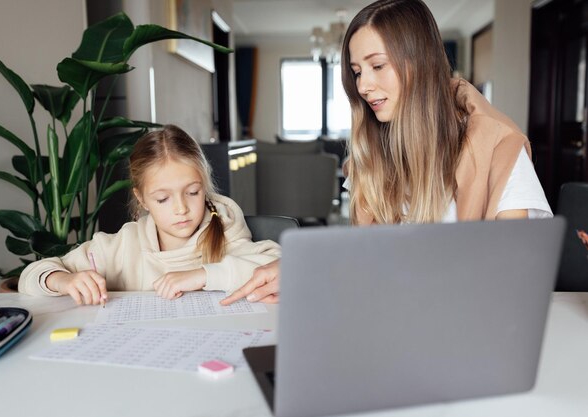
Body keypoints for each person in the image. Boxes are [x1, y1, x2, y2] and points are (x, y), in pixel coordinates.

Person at [221, 0, 552, 306]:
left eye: (377, 65)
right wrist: (303, 268)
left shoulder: (499, 150)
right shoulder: (371, 157)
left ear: (420, 63)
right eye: (357, 71)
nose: (363, 86)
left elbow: (515, 285)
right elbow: (366, 259)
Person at [19, 125, 281, 305]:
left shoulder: (225, 228)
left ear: (205, 186)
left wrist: (201, 275)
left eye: (192, 192)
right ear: (142, 198)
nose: (181, 208)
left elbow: (279, 266)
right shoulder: (123, 245)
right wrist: (64, 280)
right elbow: (30, 276)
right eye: (163, 199)